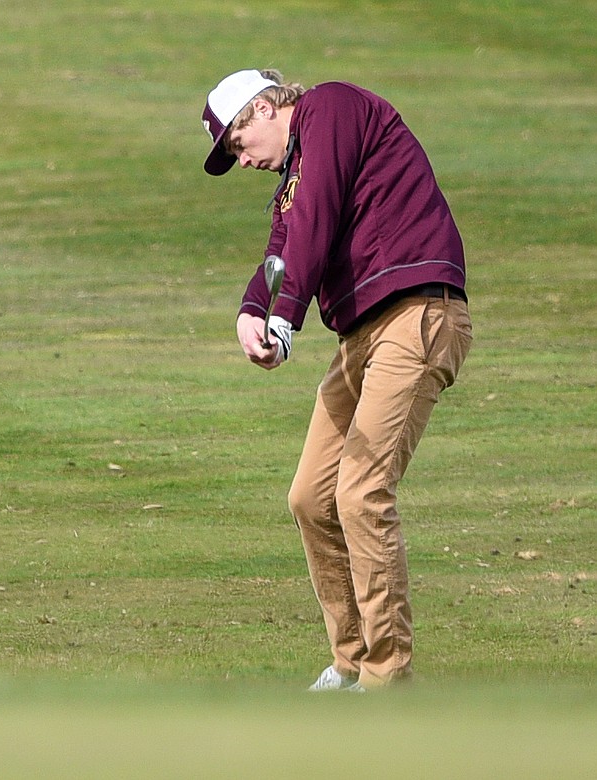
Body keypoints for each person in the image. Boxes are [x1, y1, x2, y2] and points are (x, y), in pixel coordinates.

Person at [200, 69, 473, 690]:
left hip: (418, 315)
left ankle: (386, 681)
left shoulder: (332, 107)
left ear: (267, 107)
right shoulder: (292, 176)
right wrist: (250, 310)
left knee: (360, 492)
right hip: (363, 337)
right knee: (310, 497)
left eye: (239, 142)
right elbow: (284, 244)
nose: (242, 160)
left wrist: (286, 317)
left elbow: (317, 212)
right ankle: (350, 663)